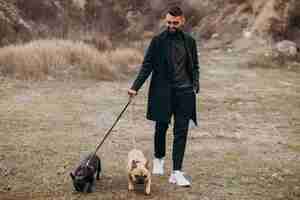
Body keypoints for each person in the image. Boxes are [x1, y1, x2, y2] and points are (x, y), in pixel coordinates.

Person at [127, 6, 199, 187]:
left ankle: (176, 172)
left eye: (175, 22)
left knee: (181, 132)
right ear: (165, 21)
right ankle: (159, 158)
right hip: (163, 93)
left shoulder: (189, 41)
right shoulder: (158, 41)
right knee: (161, 126)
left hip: (184, 93)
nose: (171, 25)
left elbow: (195, 66)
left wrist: (195, 84)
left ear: (182, 21)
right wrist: (135, 87)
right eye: (168, 22)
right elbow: (147, 65)